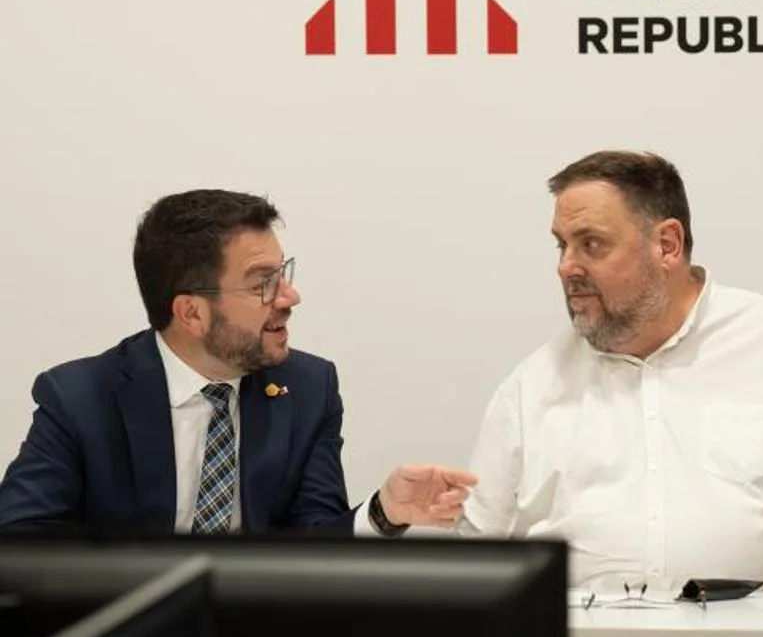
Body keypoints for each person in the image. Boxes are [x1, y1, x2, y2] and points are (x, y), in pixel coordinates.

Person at [459, 150, 763, 593]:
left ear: (667, 245)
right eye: (562, 245)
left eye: (591, 244)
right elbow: (478, 552)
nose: (566, 267)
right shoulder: (530, 387)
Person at [0, 189, 476, 535]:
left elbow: (311, 543)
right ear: (191, 312)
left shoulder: (309, 388)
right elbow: (22, 543)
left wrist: (382, 513)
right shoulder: (81, 399)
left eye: (283, 274)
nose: (290, 297)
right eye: (261, 283)